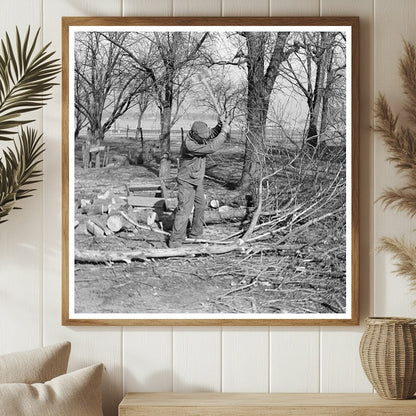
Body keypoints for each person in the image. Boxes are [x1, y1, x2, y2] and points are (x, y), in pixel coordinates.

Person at [169, 116, 231, 248]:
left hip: (196, 179)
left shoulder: (198, 136)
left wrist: (220, 125)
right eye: (202, 137)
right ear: (195, 134)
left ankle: (196, 233)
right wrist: (224, 132)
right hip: (186, 181)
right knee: (184, 209)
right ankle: (175, 240)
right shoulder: (190, 145)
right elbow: (212, 147)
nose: (205, 139)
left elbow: (211, 134)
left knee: (201, 204)